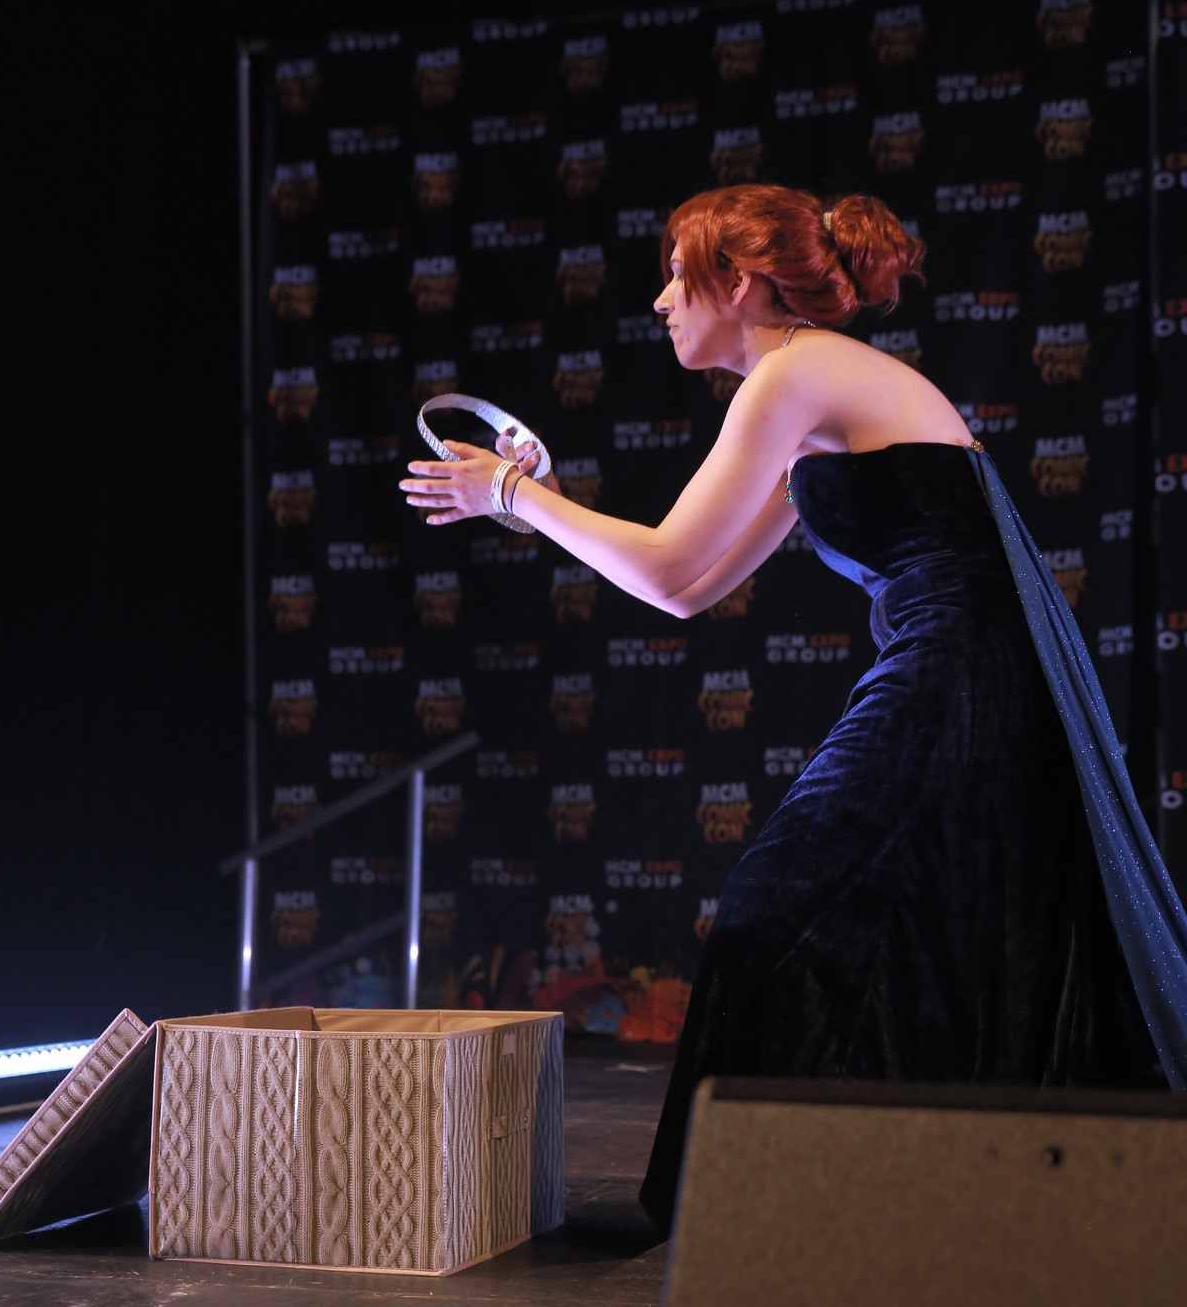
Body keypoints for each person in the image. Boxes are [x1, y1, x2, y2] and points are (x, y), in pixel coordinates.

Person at [401, 183, 1187, 1233]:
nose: (660, 301)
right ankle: (860, 1199)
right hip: (967, 668)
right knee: (906, 925)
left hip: (961, 670)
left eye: (676, 276)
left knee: (779, 910)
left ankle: (760, 1206)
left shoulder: (794, 373)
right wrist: (534, 503)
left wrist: (511, 495)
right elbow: (686, 588)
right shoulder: (802, 386)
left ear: (737, 282)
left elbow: (668, 560)